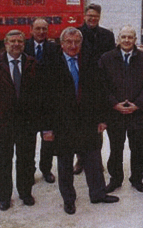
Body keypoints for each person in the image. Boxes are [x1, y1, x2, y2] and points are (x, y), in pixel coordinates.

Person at [42, 27, 119, 215]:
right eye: (69, 42)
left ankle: (98, 193)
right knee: (65, 164)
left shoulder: (90, 62)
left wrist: (102, 119)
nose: (73, 45)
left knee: (93, 159)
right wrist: (46, 128)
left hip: (88, 121)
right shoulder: (50, 65)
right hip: (63, 124)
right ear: (62, 44)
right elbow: (43, 99)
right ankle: (69, 199)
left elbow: (98, 92)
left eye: (77, 42)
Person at [99, 26, 143, 193]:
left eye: (130, 37)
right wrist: (114, 104)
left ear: (135, 39)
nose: (127, 40)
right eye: (123, 37)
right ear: (118, 39)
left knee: (137, 148)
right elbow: (102, 85)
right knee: (116, 148)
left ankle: (136, 178)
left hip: (137, 113)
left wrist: (137, 104)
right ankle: (115, 179)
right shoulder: (106, 58)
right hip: (115, 113)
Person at [0, 30, 40, 211]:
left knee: (26, 160)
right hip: (4, 123)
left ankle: (25, 192)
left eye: (20, 41)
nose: (16, 44)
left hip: (27, 123)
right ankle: (4, 196)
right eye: (12, 41)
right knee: (3, 160)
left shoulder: (32, 63)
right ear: (5, 43)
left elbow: (39, 94)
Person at [74, 3, 116, 175]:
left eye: (95, 16)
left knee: (97, 125)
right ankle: (80, 159)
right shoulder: (76, 33)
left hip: (99, 86)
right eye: (89, 15)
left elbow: (111, 60)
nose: (92, 18)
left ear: (99, 17)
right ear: (84, 16)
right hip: (80, 85)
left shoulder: (107, 35)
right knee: (79, 125)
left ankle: (95, 160)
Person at [24, 18, 59, 183]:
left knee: (48, 141)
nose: (41, 32)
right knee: (29, 142)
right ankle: (29, 172)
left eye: (44, 29)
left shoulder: (54, 48)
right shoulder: (23, 46)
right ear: (31, 30)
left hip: (49, 104)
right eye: (37, 29)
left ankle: (46, 169)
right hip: (29, 105)